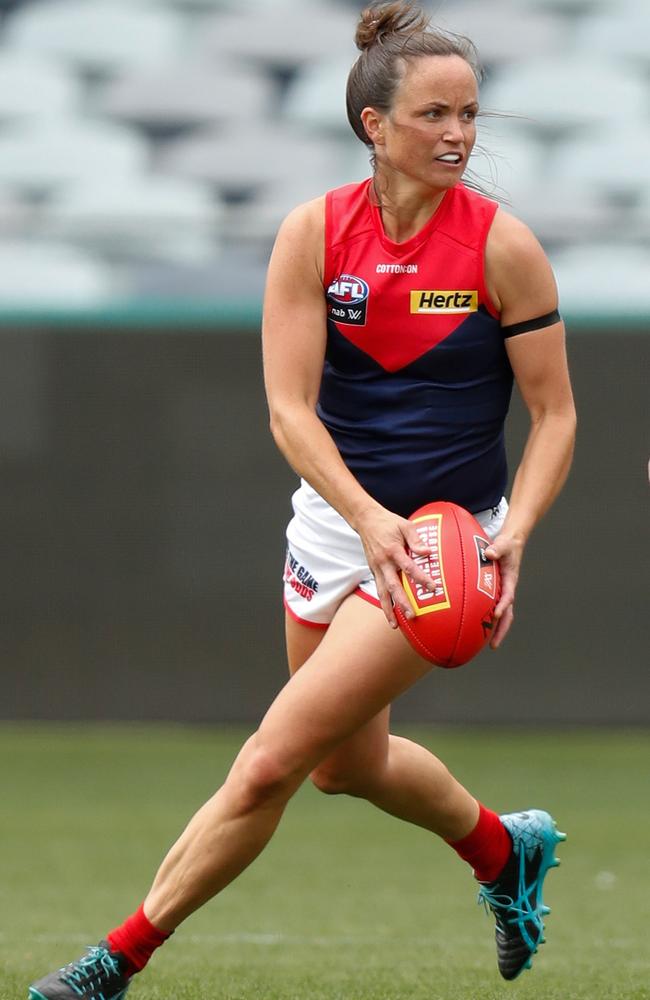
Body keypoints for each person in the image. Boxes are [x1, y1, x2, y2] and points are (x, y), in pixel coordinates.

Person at [28, 3, 576, 997]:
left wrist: (514, 535)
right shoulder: (314, 234)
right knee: (342, 765)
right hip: (334, 525)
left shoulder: (502, 249)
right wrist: (361, 520)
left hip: (437, 544)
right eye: (433, 115)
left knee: (270, 762)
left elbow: (555, 415)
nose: (457, 134)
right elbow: (288, 412)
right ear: (373, 123)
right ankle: (504, 848)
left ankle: (113, 962)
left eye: (469, 114)